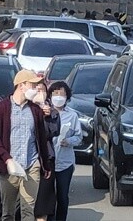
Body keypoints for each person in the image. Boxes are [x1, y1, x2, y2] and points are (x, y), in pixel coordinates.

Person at [0, 69, 52, 221]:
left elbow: (41, 138)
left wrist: (46, 164)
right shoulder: (2, 108)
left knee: (28, 211)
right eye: (32, 85)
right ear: (21, 85)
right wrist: (6, 158)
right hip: (9, 168)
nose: (36, 89)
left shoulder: (35, 110)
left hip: (31, 165)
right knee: (8, 213)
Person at [48, 81, 82, 221]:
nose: (58, 97)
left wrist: (69, 141)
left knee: (62, 196)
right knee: (48, 196)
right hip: (48, 162)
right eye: (55, 93)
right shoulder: (44, 113)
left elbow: (79, 137)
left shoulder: (72, 116)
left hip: (65, 163)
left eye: (62, 93)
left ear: (67, 97)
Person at [33, 83, 60, 221]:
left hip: (46, 159)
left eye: (42, 90)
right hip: (27, 159)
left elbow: (53, 131)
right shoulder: (25, 110)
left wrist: (46, 117)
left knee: (43, 203)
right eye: (36, 90)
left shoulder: (52, 112)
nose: (39, 92)